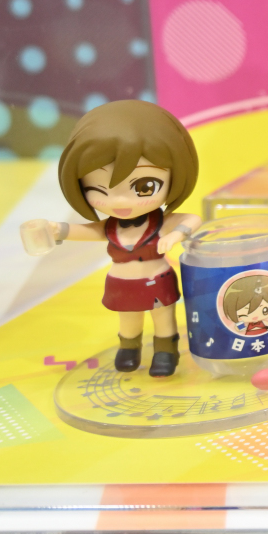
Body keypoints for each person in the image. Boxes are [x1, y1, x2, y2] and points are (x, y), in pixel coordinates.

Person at [20, 100, 201, 376]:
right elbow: (90, 231)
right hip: (122, 283)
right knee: (128, 319)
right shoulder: (111, 226)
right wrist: (60, 230)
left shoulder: (158, 222)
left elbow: (192, 219)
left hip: (156, 280)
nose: (119, 201)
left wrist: (177, 234)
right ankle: (129, 348)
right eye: (98, 189)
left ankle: (166, 351)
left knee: (163, 317)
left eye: (144, 186)